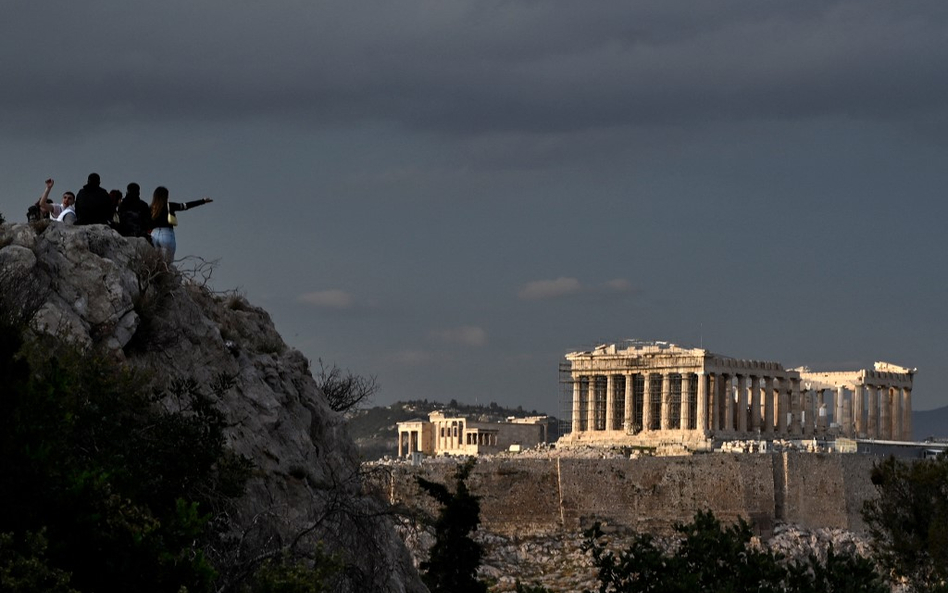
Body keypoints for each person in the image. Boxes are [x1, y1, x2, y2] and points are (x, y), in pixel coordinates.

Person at [148, 186, 213, 261]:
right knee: (166, 262)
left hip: (154, 235)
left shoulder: (150, 208)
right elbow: (185, 206)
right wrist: (202, 201)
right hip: (166, 233)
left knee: (155, 261)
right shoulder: (170, 206)